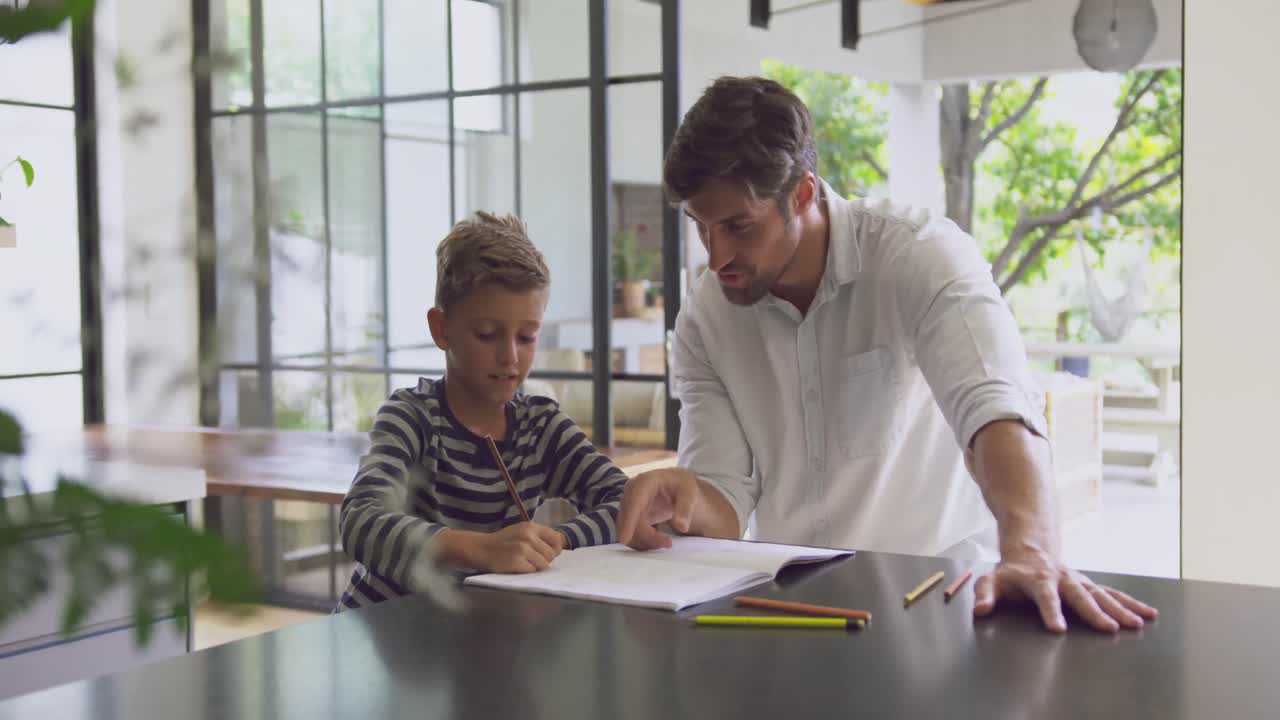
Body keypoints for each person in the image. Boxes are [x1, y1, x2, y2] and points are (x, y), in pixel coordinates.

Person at [617, 76, 1156, 633]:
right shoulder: (705, 317)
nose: (718, 254)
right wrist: (687, 497)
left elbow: (996, 408)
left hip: (939, 604)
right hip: (790, 610)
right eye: (702, 227)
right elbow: (724, 502)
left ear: (801, 194)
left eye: (738, 226)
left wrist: (1031, 549)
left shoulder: (919, 256)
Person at [337, 211, 627, 610]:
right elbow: (361, 522)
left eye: (527, 337)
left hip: (475, 635)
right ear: (441, 329)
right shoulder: (412, 416)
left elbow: (624, 501)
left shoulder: (539, 426)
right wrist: (481, 549)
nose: (510, 357)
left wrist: (556, 540)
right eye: (487, 335)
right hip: (385, 637)